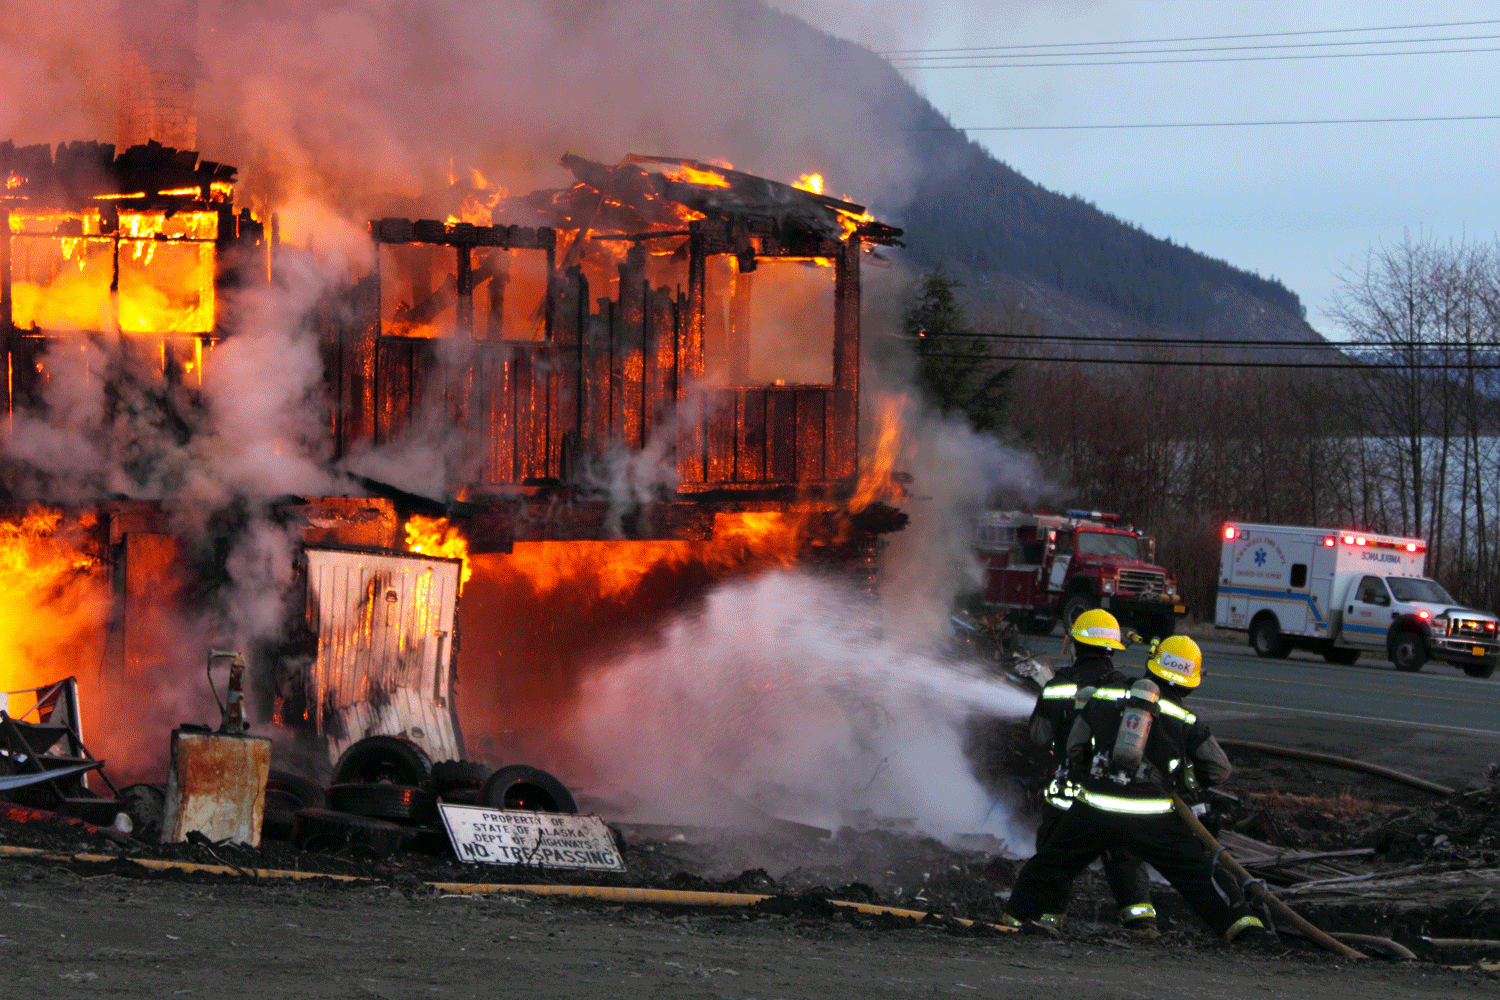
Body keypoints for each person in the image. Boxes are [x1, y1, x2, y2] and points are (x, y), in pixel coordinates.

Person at [1003, 635, 1268, 943]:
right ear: (1189, 681)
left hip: (1096, 808)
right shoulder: (1185, 718)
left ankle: (1011, 921)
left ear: (1152, 664)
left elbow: (1075, 749)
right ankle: (1245, 930)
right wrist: (1182, 781)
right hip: (1152, 816)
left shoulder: (1106, 695)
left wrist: (1098, 772)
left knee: (1050, 864)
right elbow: (1220, 769)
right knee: (1198, 877)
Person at [1025, 608, 1156, 934]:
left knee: (1055, 856)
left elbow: (1039, 737)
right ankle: (1142, 923)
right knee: (1124, 857)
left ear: (1076, 645)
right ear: (1112, 649)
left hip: (1069, 795)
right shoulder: (1128, 689)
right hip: (1112, 795)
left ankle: (1049, 923)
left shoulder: (1056, 687)